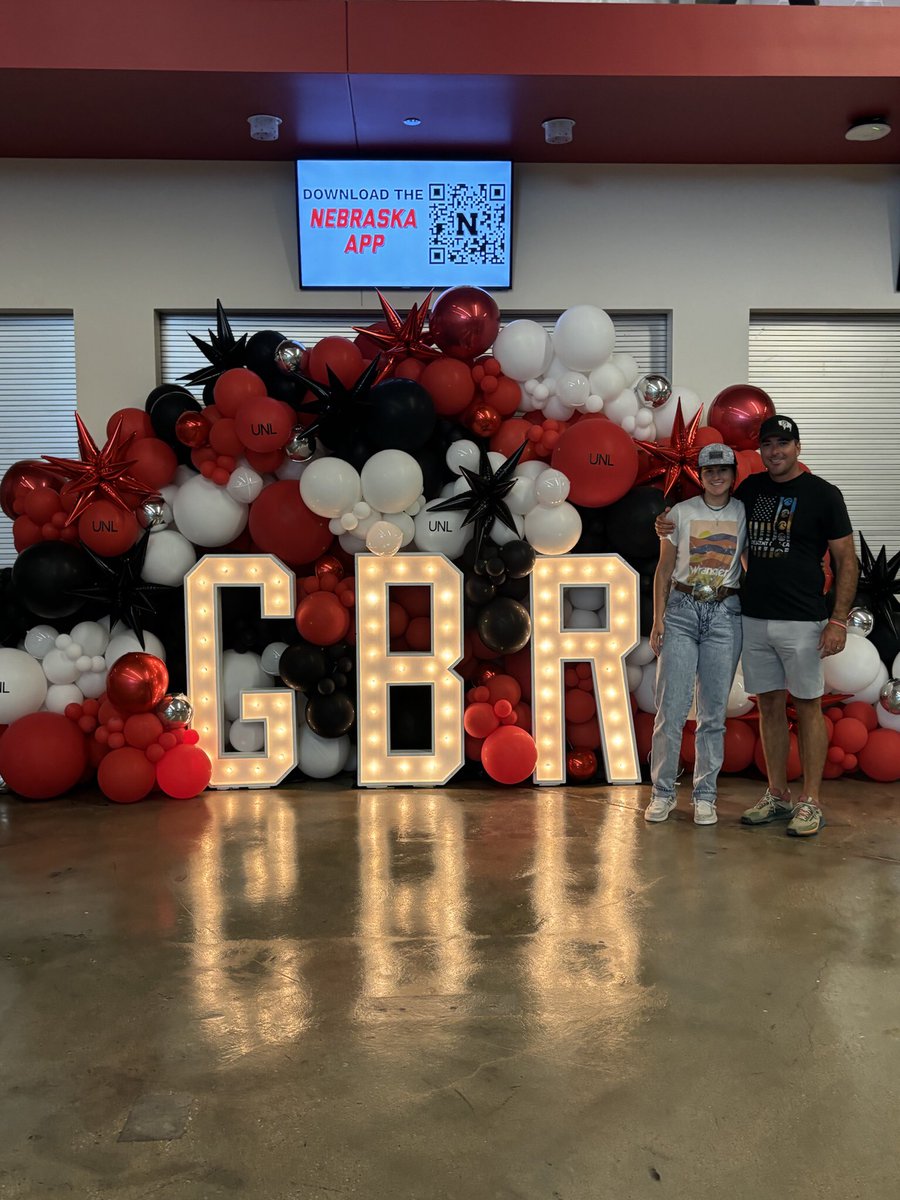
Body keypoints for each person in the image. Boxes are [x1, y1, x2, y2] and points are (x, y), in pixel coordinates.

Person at [655, 414, 858, 837]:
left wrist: (837, 619)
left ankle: (811, 801)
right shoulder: (751, 490)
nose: (775, 451)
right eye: (768, 444)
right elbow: (730, 545)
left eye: (783, 443)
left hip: (803, 620)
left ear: (797, 447)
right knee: (768, 704)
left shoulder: (824, 495)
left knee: (806, 705)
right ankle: (778, 794)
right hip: (752, 617)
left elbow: (845, 559)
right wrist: (664, 526)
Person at [645, 443, 746, 826]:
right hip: (683, 612)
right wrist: (658, 621)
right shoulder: (681, 514)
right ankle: (663, 792)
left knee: (713, 713)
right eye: (708, 471)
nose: (716, 477)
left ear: (733, 475)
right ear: (699, 476)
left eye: (723, 471)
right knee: (670, 709)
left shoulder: (743, 514)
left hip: (725, 613)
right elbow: (664, 569)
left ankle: (706, 795)